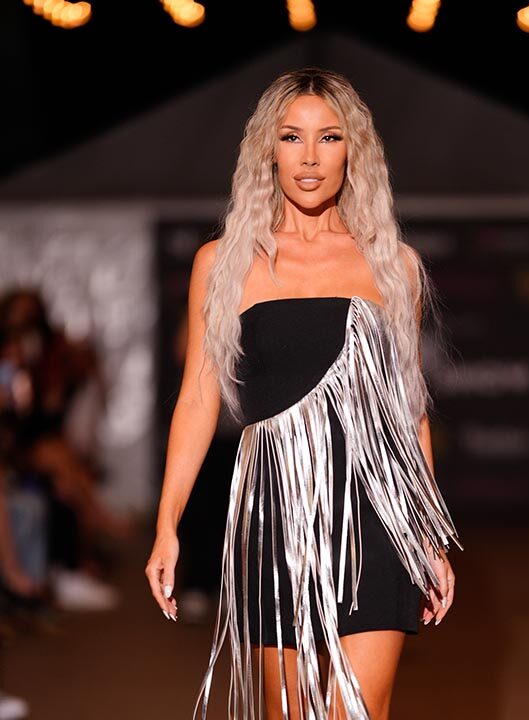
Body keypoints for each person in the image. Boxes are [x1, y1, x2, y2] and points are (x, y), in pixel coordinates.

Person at [145, 67, 462, 719]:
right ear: (269, 149)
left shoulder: (393, 264)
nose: (310, 157)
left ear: (355, 150)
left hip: (379, 516)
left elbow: (410, 410)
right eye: (292, 137)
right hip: (275, 515)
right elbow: (198, 399)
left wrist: (428, 536)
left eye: (329, 137)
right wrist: (167, 523)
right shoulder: (225, 262)